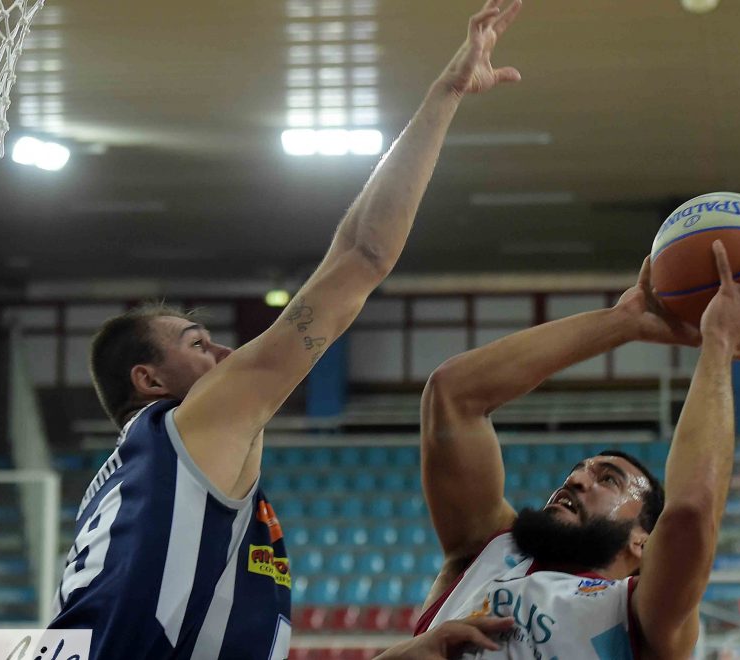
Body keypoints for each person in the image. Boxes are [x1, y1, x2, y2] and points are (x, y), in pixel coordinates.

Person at [48, 2, 525, 658]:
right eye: (197, 343)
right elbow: (362, 257)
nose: (223, 351)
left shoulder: (130, 484)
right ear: (149, 380)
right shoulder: (189, 428)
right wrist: (444, 96)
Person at [415, 237, 740, 659]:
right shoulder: (487, 548)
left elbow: (690, 512)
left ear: (642, 542)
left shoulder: (638, 615)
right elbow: (453, 394)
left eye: (608, 480)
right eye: (579, 470)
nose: (576, 479)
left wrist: (719, 344)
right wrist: (623, 320)